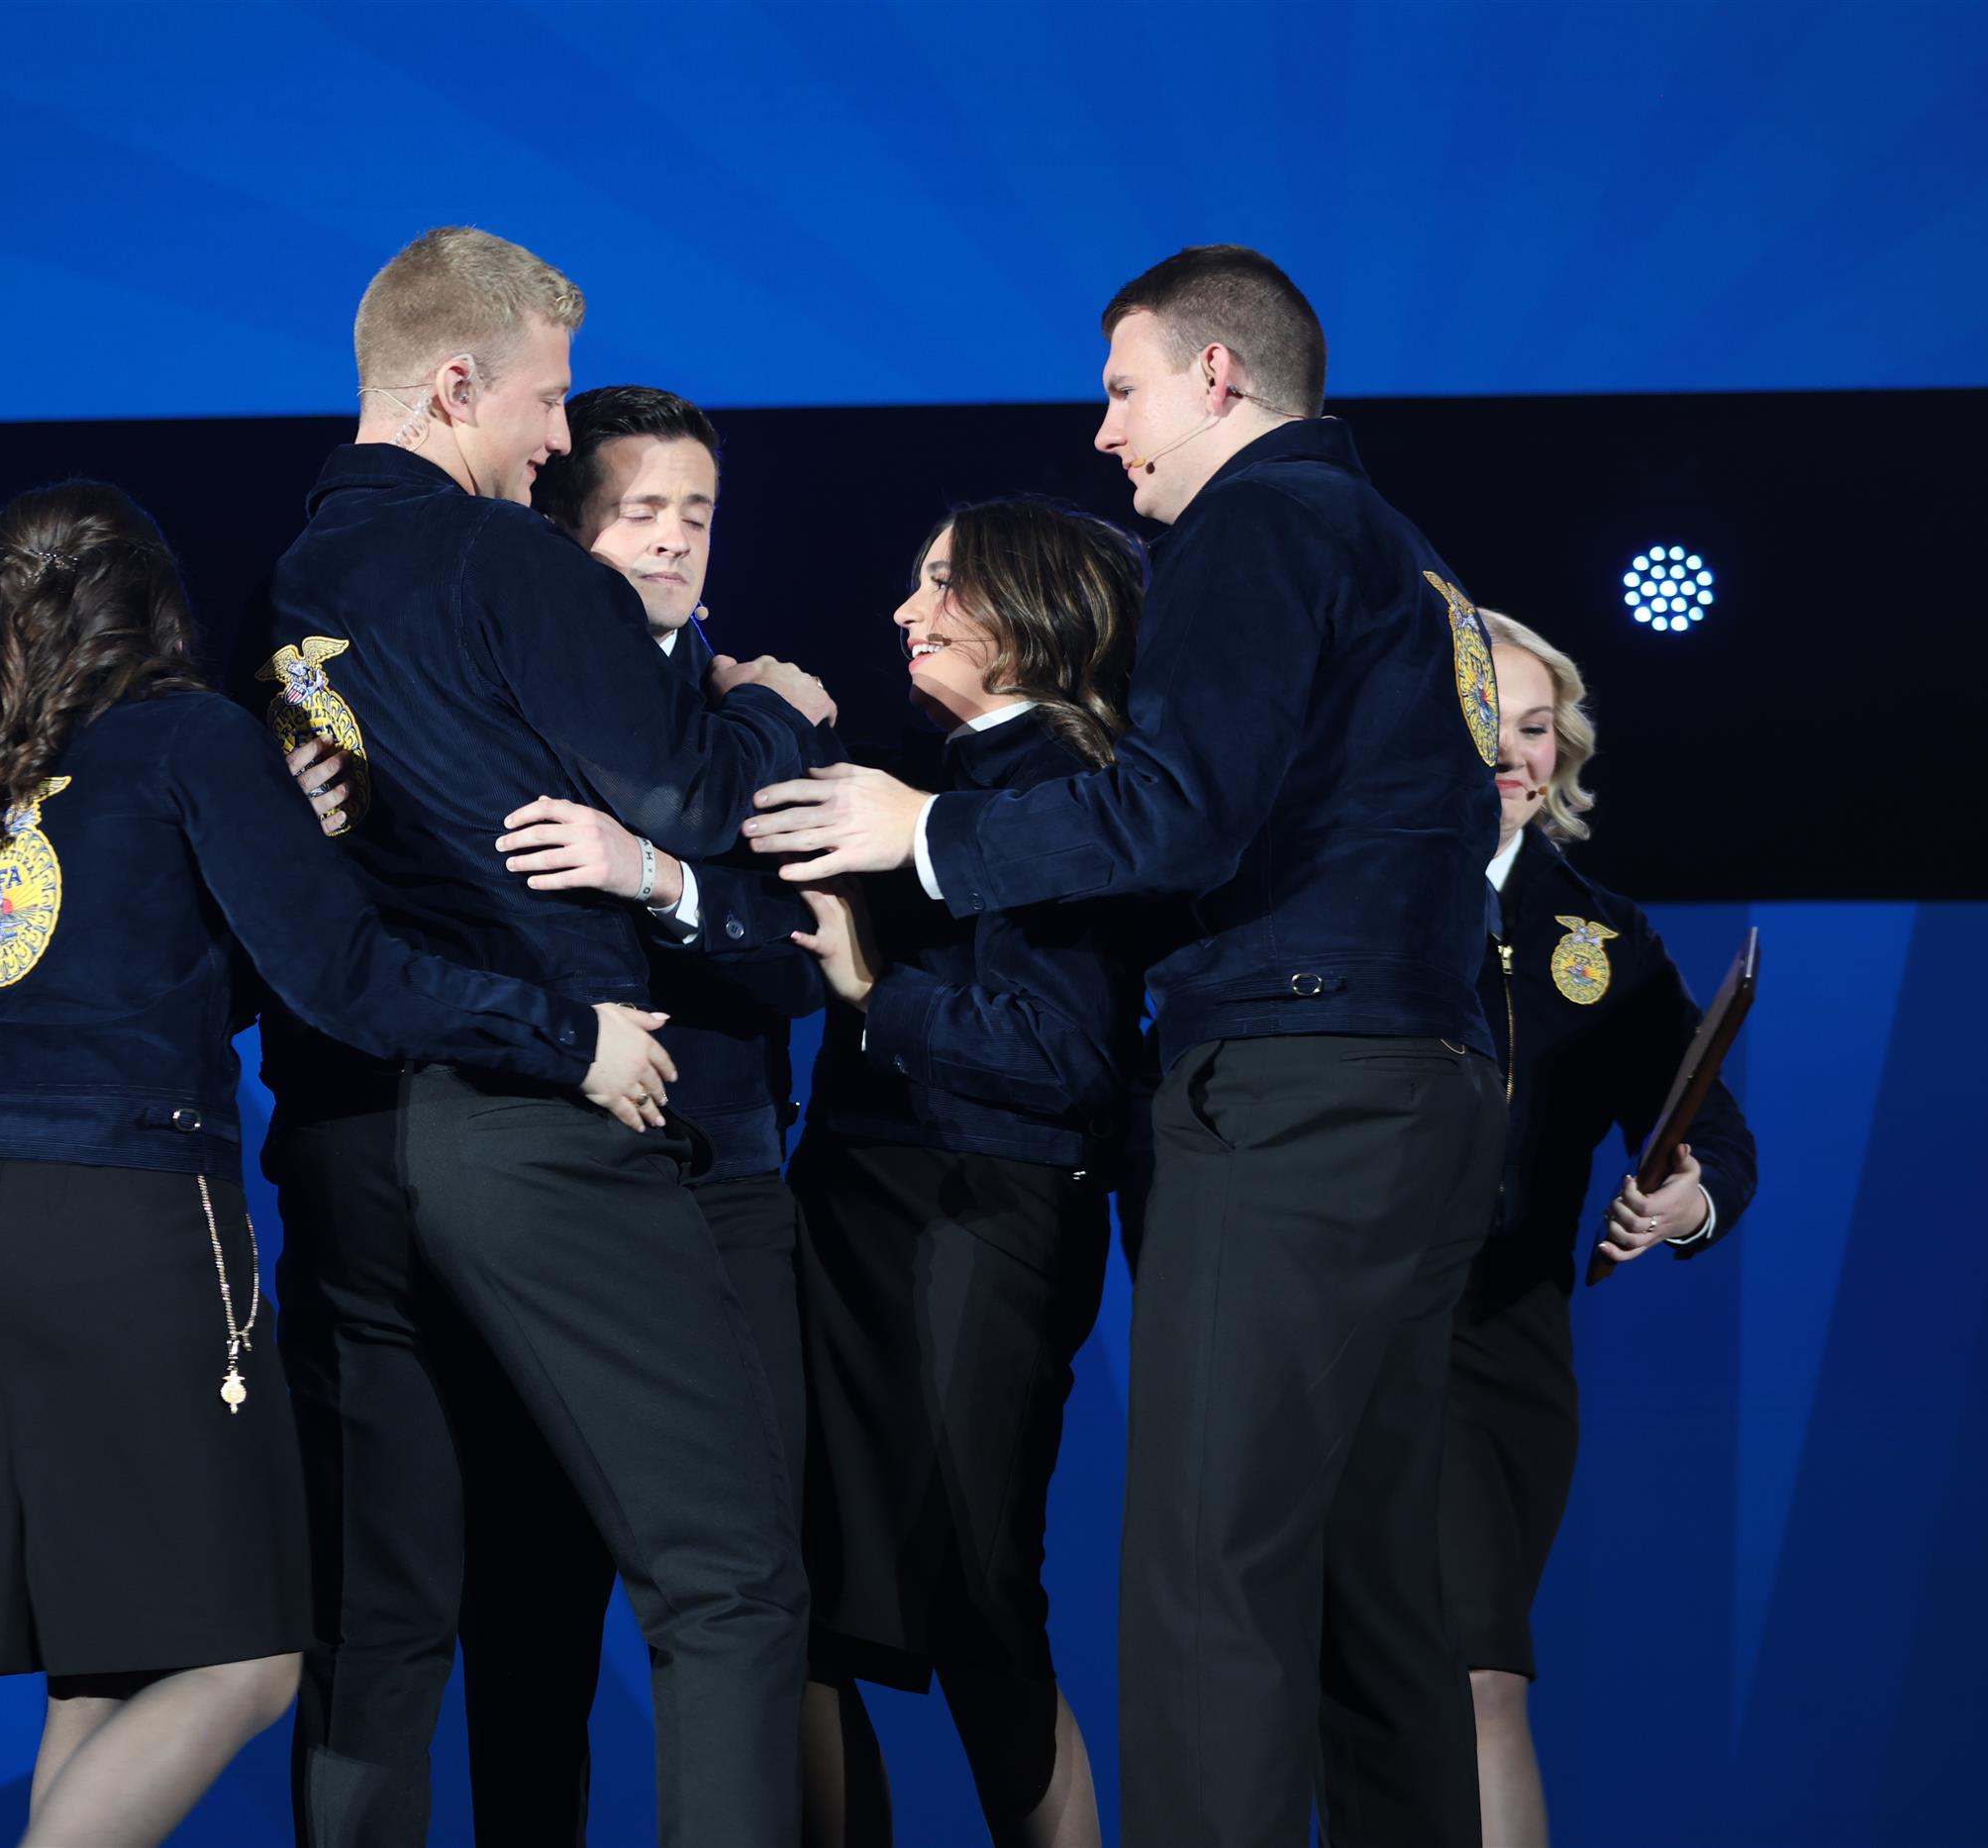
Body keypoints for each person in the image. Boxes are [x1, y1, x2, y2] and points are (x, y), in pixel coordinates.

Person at [744, 244, 1510, 1846]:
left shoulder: (1262, 518)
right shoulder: (1407, 552)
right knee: (1372, 1589)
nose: (1106, 433)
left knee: (1210, 1570)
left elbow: (1178, 812)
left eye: (1121, 389)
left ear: (1217, 376)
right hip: (1426, 1083)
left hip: (1296, 1091)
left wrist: (923, 832)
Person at [0, 480, 675, 1847]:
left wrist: (271, 836)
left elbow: (144, 983)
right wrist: (571, 1036)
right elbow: (347, 978)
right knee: (245, 1658)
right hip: (126, 1235)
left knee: (104, 1665)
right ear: (157, 604)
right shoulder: (191, 736)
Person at [236, 229, 835, 1848]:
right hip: (547, 1120)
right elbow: (691, 795)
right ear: (455, 383)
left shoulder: (285, 592)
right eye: (549, 401)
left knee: (381, 1620)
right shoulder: (510, 561)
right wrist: (774, 706)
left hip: (352, 1139)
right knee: (729, 1577)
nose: (558, 439)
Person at [405, 384, 829, 1843]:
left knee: (751, 1580)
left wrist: (658, 875)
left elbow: (796, 959)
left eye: (695, 514)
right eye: (639, 511)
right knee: (529, 1599)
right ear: (564, 531)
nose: (671, 541)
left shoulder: (757, 710)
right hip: (558, 1182)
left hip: (730, 1184)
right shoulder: (501, 702)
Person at [788, 499, 1152, 1848]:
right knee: (810, 1597)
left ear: (1032, 609)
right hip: (856, 1208)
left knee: (977, 1596)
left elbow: (1064, 1056)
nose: (907, 609)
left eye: (943, 582)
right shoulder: (930, 770)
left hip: (980, 1218)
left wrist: (870, 990)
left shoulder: (1069, 789)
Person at [1447, 612, 1757, 1846]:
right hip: (1335, 1328)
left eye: (1534, 729)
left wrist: (1687, 1199)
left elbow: (1710, 1134)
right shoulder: (1331, 897)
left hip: (1495, 1342)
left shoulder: (1601, 934)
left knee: (1475, 1674)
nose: (1513, 757)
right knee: (1351, 1685)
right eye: (1484, 725)